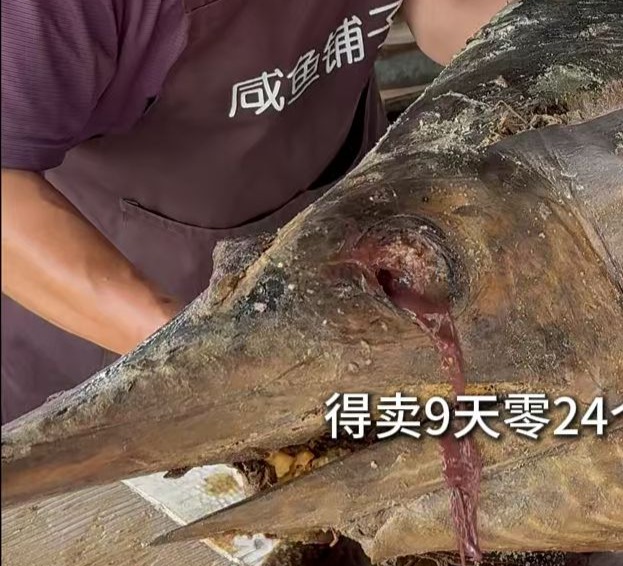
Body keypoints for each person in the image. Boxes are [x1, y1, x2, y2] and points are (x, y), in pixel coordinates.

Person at [0, 0, 510, 423]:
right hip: (122, 314)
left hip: (344, 244)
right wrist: (204, 355)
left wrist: (540, 39)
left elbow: (446, 12)